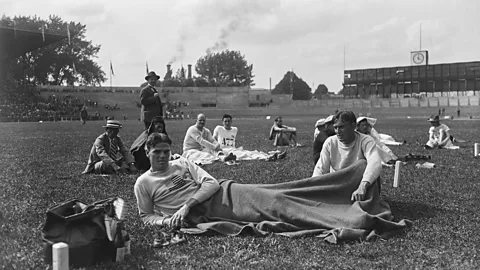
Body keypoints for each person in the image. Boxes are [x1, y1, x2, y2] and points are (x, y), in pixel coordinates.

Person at [134, 133, 411, 245]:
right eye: (157, 152)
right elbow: (145, 218)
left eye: (165, 151)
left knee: (280, 195)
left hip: (225, 193)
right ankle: (349, 217)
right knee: (277, 211)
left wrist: (186, 205)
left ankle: (346, 197)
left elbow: (210, 182)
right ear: (147, 152)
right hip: (206, 213)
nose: (162, 156)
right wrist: (168, 219)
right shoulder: (144, 183)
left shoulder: (182, 162)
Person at [313, 111, 382, 202]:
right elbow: (320, 168)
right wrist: (313, 188)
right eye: (335, 128)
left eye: (341, 127)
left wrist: (362, 186)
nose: (338, 131)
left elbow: (375, 163)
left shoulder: (365, 141)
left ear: (353, 126)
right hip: (338, 184)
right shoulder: (330, 142)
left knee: (362, 164)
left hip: (359, 186)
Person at [213, 114, 284, 161]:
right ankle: (267, 157)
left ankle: (274, 155)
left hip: (233, 149)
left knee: (250, 152)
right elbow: (213, 138)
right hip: (224, 150)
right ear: (222, 122)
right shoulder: (219, 128)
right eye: (225, 121)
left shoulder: (234, 129)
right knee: (245, 155)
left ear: (231, 121)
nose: (227, 123)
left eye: (229, 121)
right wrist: (217, 145)